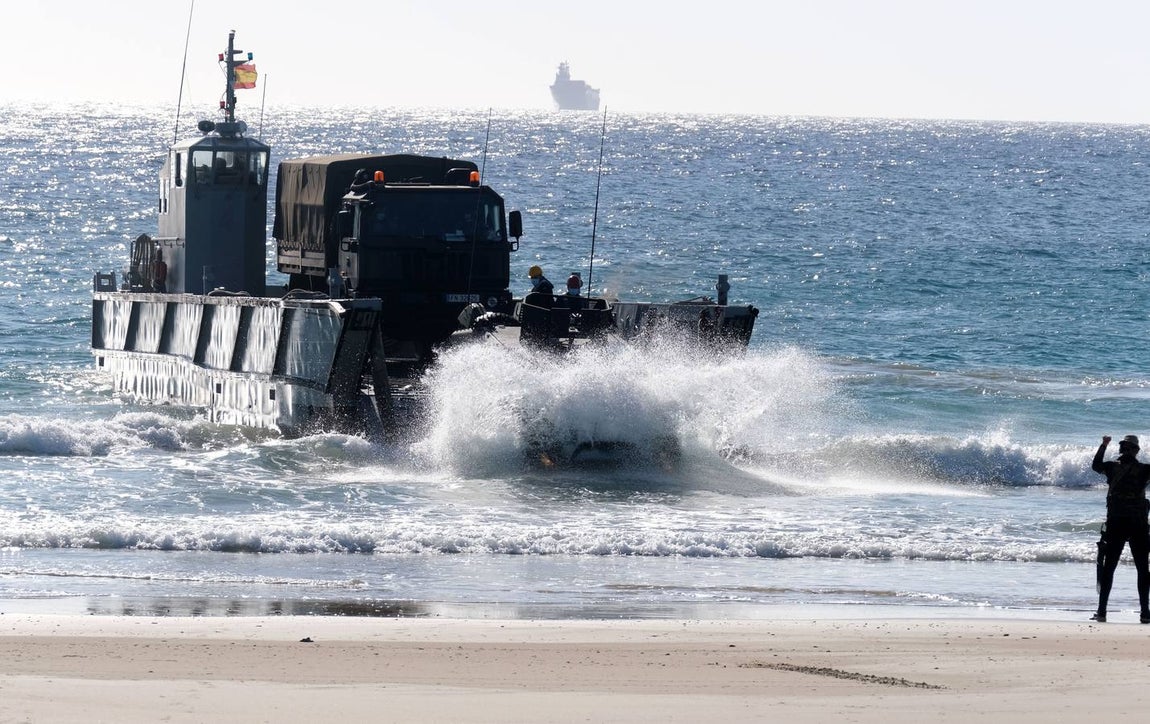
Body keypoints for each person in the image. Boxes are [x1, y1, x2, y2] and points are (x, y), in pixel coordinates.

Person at [1091, 434, 1150, 623]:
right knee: (1142, 569)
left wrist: (1103, 445)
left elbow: (1095, 465)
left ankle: (1101, 612)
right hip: (1138, 524)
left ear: (1121, 449)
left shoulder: (1111, 467)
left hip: (1116, 523)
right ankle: (1145, 613)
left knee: (1109, 568)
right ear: (1136, 450)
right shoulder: (1144, 470)